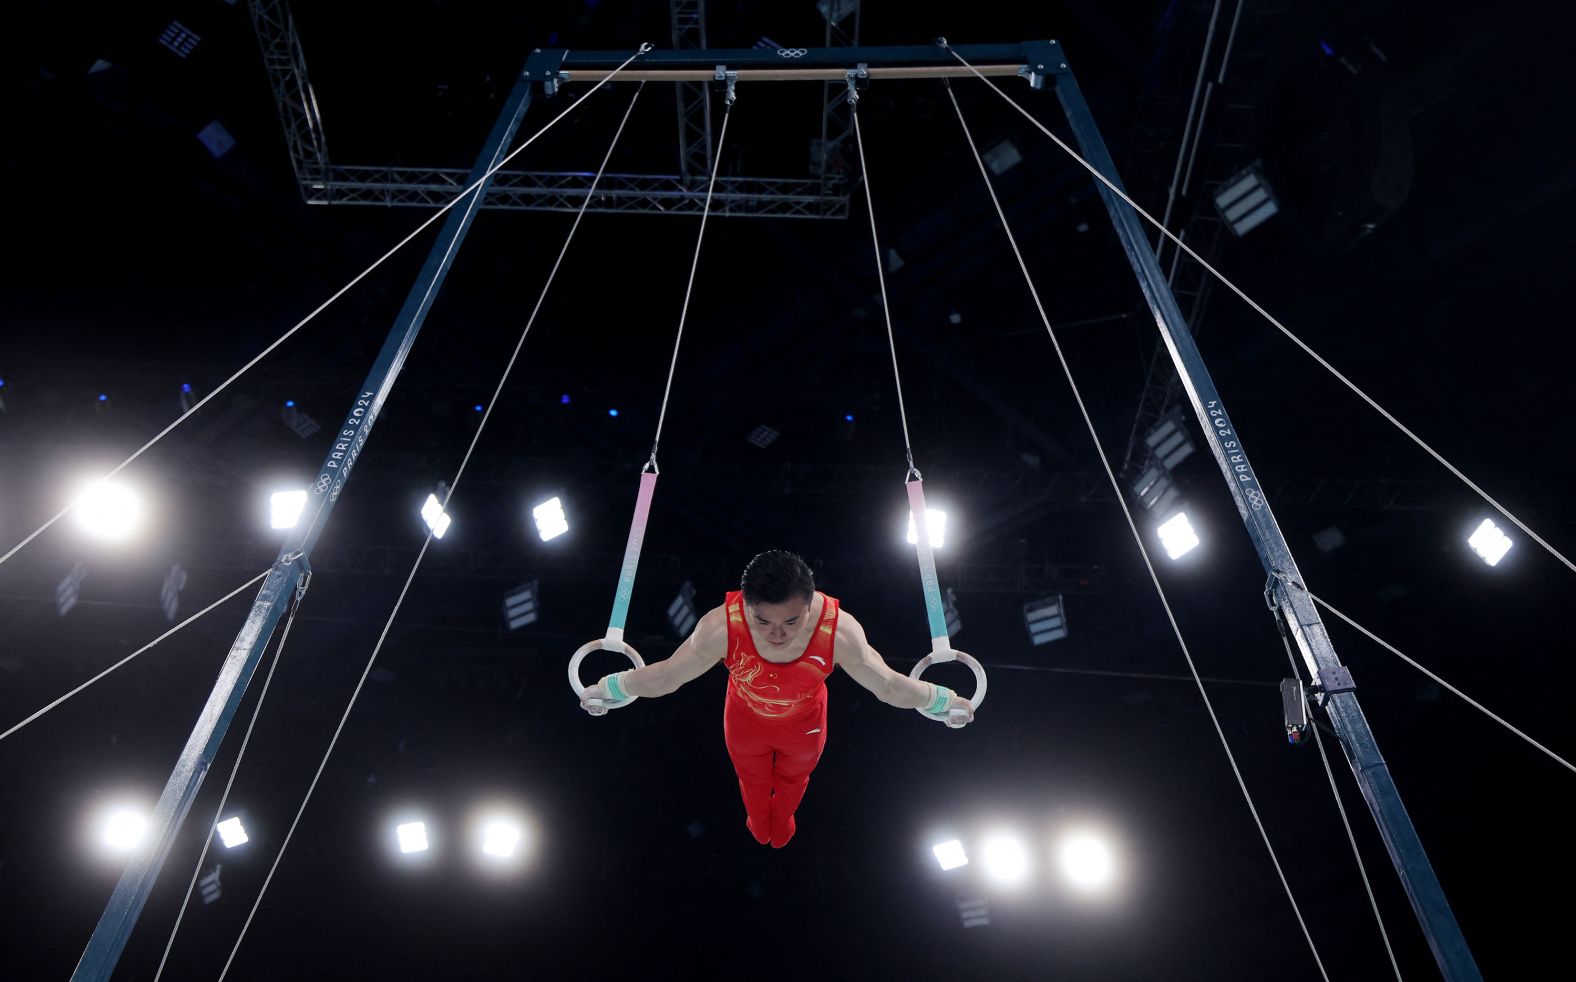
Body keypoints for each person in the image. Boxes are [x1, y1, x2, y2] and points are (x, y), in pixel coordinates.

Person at [580, 550, 974, 848]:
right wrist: (610, 687)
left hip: (805, 728)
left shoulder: (838, 632)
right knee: (751, 785)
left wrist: (943, 699)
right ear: (747, 605)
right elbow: (667, 677)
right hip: (744, 721)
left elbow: (888, 685)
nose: (776, 634)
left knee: (792, 785)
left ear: (810, 604)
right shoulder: (721, 627)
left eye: (790, 621)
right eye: (763, 621)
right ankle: (760, 818)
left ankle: (781, 816)